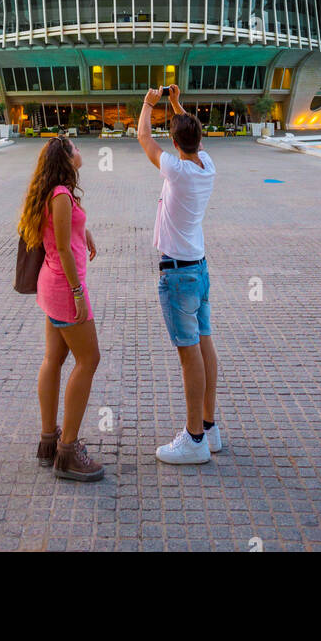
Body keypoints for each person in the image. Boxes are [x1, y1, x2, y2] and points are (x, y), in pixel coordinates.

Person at [137, 85, 220, 465]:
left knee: (190, 357)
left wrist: (148, 104)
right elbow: (188, 133)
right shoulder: (206, 166)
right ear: (199, 140)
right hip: (199, 269)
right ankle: (209, 427)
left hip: (179, 275)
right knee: (205, 346)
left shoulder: (177, 169)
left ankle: (194, 440)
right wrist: (174, 106)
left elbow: (143, 137)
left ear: (175, 141)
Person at [18, 135, 103, 482]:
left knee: (53, 360)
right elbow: (65, 251)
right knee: (89, 360)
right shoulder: (62, 196)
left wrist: (87, 234)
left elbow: (63, 233)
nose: (81, 152)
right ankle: (68, 452)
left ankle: (48, 441)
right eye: (76, 148)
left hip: (49, 286)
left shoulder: (53, 192)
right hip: (64, 288)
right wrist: (78, 292)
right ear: (67, 158)